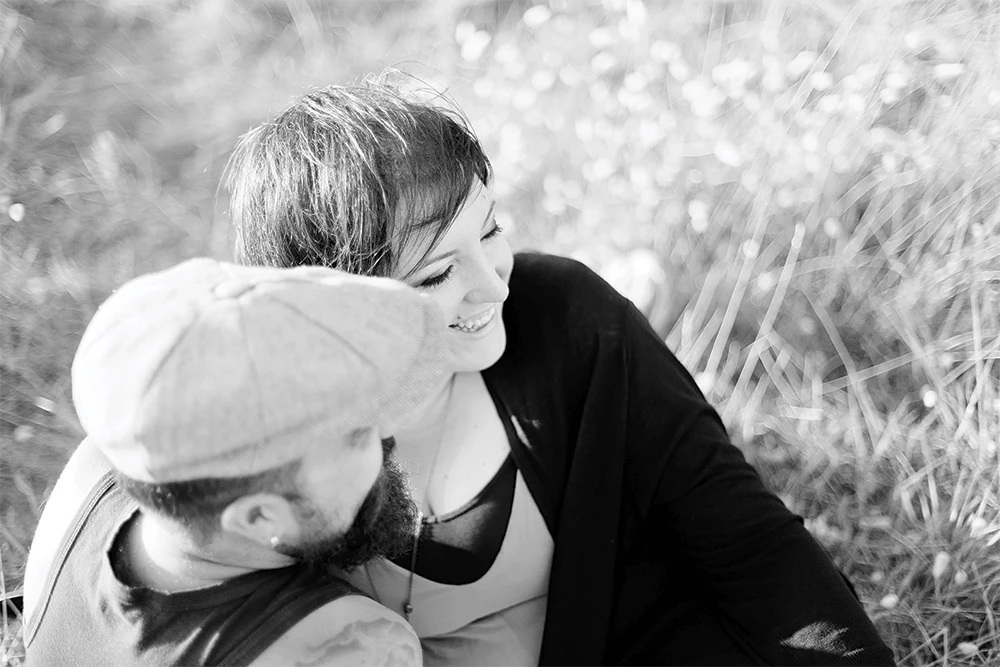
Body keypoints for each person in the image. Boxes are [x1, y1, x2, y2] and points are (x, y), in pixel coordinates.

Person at [225, 75, 897, 666]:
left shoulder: (571, 321)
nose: (493, 285)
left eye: (490, 230)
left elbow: (749, 540)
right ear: (336, 304)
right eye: (435, 275)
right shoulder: (260, 434)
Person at [21, 258, 450, 666]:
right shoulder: (350, 646)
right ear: (260, 517)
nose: (388, 429)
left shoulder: (95, 467)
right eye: (358, 434)